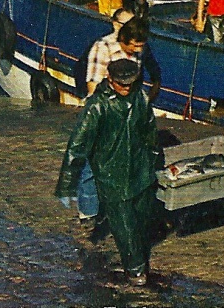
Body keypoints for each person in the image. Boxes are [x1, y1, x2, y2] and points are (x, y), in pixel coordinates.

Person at [56, 58, 159, 287]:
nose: (126, 88)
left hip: (140, 170)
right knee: (124, 226)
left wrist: (156, 160)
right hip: (111, 175)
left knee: (142, 221)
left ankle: (138, 258)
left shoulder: (140, 98)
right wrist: (67, 185)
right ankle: (136, 270)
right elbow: (77, 147)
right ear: (110, 80)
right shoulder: (97, 107)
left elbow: (150, 131)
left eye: (130, 83)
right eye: (121, 84)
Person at [79, 12, 160, 222]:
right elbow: (93, 85)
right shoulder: (103, 47)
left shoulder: (140, 50)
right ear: (123, 39)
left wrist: (144, 103)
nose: (137, 51)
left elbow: (150, 78)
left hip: (130, 113)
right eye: (133, 46)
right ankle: (88, 212)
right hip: (106, 112)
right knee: (93, 162)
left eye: (140, 46)